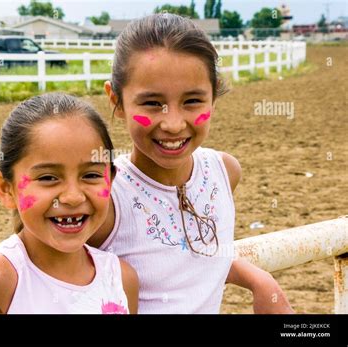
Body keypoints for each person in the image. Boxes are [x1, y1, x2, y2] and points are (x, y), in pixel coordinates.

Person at [87, 14, 294, 314]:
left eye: (193, 101)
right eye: (152, 103)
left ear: (213, 95)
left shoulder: (224, 172)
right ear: (116, 101)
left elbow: (195, 254)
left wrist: (259, 280)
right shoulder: (107, 198)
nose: (172, 124)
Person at [0, 93, 138, 314]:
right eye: (48, 178)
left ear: (111, 179)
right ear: (6, 188)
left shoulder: (121, 280)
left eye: (91, 175)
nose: (73, 197)